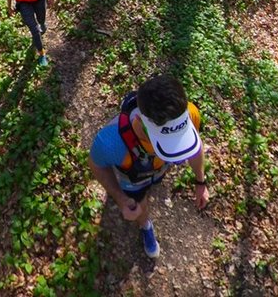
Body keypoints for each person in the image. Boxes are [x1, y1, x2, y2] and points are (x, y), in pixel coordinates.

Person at [88, 74, 209, 258]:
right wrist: (121, 199)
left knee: (155, 182)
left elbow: (195, 147)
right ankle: (145, 225)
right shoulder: (111, 142)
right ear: (141, 121)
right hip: (133, 180)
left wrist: (201, 181)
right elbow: (96, 165)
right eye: (168, 144)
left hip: (158, 170)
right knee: (139, 203)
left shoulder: (191, 114)